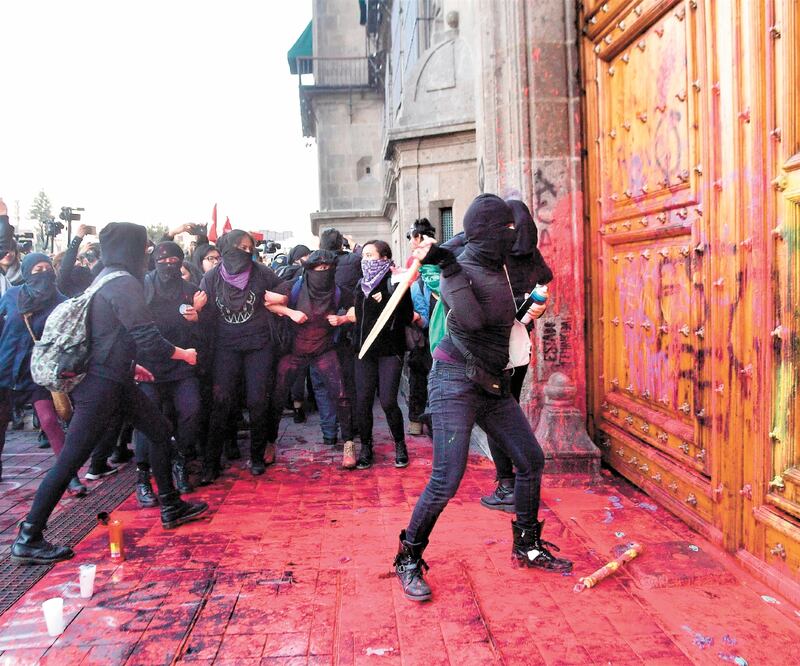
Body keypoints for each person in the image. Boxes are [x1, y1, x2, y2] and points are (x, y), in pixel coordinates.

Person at [393, 194, 572, 603]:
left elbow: (518, 291)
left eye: (512, 229)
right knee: (447, 478)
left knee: (530, 460)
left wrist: (530, 306)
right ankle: (408, 557)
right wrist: (448, 264)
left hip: (493, 380)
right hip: (454, 379)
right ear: (487, 234)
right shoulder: (467, 264)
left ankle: (526, 543)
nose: (511, 235)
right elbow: (471, 319)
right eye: (503, 230)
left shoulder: (502, 262)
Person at [10, 222, 208, 565]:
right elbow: (147, 338)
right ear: (129, 250)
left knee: (160, 433)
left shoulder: (105, 279)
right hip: (102, 387)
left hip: (116, 380)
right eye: (143, 249)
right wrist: (182, 353)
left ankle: (171, 505)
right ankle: (29, 536)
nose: (148, 256)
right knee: (71, 458)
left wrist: (130, 367)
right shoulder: (124, 284)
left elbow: (107, 337)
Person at [197, 230, 290, 483]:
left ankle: (257, 456)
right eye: (239, 247)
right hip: (226, 347)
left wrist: (281, 296)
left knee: (258, 400)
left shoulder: (261, 272)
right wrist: (195, 312)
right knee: (221, 401)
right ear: (227, 248)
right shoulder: (212, 277)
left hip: (259, 345)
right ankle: (211, 462)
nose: (245, 253)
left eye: (249, 248)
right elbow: (205, 315)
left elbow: (284, 286)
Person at [480, 198, 553, 513]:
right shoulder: (532, 256)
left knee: (497, 415)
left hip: (497, 346)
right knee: (508, 409)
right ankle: (517, 482)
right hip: (522, 347)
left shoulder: (495, 254)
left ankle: (507, 484)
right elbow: (540, 293)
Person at [0, 253, 84, 492]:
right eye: (37, 269)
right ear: (26, 272)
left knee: (49, 421)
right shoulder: (12, 295)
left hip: (38, 371)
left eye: (48, 269)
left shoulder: (61, 302)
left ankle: (69, 475)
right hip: (5, 368)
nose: (43, 274)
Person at [133, 242, 206, 505]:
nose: (168, 264)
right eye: (162, 260)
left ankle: (180, 460)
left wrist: (197, 319)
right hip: (147, 366)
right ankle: (142, 476)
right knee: (147, 418)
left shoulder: (191, 291)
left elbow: (204, 337)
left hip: (181, 366)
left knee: (191, 410)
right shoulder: (141, 287)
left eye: (174, 259)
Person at [267, 250, 354, 459]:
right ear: (310, 270)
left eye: (328, 269)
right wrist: (290, 312)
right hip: (294, 350)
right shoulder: (293, 287)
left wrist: (343, 320)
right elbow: (267, 302)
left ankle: (349, 444)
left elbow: (356, 308)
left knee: (341, 395)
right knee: (278, 395)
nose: (324, 272)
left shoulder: (337, 292)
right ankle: (269, 443)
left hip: (324, 349)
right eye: (320, 269)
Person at [348, 240, 413, 470]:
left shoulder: (395, 283)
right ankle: (366, 448)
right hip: (364, 352)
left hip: (389, 351)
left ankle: (400, 445)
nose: (366, 260)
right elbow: (358, 318)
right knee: (363, 402)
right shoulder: (360, 285)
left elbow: (406, 317)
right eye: (364, 256)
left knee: (387, 401)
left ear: (384, 258)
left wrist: (396, 291)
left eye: (371, 255)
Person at [316, 228, 361, 445]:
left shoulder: (313, 264)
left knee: (322, 384)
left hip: (320, 331)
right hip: (347, 327)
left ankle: (329, 433)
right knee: (348, 380)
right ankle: (350, 429)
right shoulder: (354, 260)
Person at [406, 219, 437, 436]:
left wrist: (414, 316)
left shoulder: (419, 265)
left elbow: (422, 316)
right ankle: (427, 421)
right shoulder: (445, 260)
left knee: (420, 378)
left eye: (411, 238)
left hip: (427, 337)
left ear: (418, 238)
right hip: (443, 336)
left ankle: (418, 420)